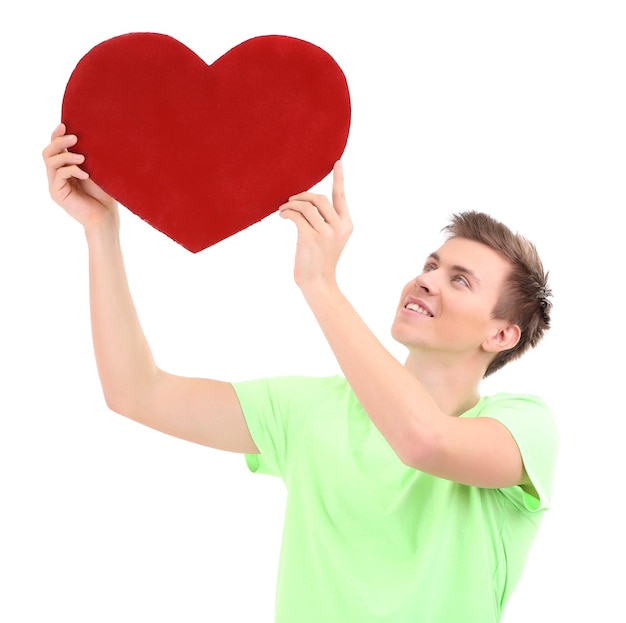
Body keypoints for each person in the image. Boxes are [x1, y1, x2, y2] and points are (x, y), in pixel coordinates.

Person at [43, 123, 558, 623]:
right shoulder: (308, 410)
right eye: (430, 265)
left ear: (501, 336)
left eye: (460, 280)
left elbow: (423, 441)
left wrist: (319, 283)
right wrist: (100, 230)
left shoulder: (522, 426)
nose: (425, 281)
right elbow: (136, 392)